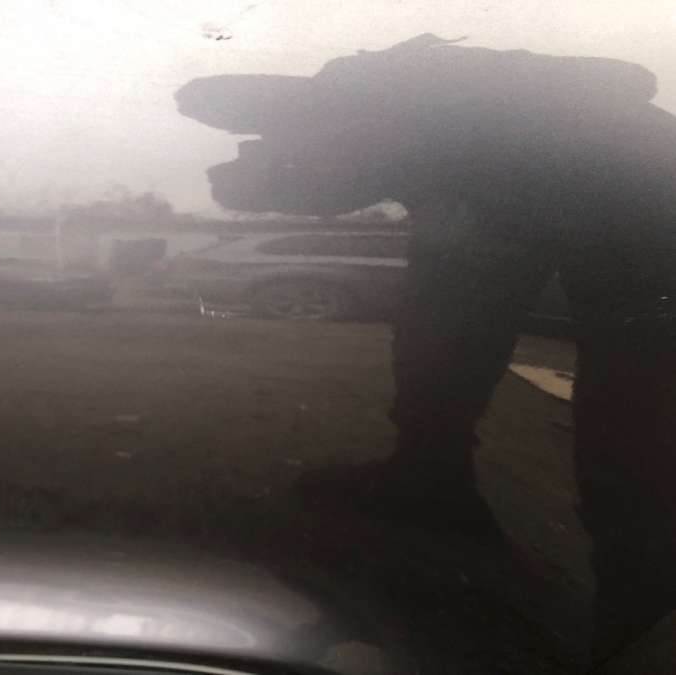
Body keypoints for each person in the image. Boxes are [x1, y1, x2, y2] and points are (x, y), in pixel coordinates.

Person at [176, 34, 676, 664]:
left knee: (632, 408)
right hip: (604, 187)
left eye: (250, 149)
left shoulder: (405, 117)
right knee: (447, 304)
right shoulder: (413, 124)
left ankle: (644, 617)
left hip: (652, 208)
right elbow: (450, 311)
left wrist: (253, 183)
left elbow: (450, 297)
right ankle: (429, 474)